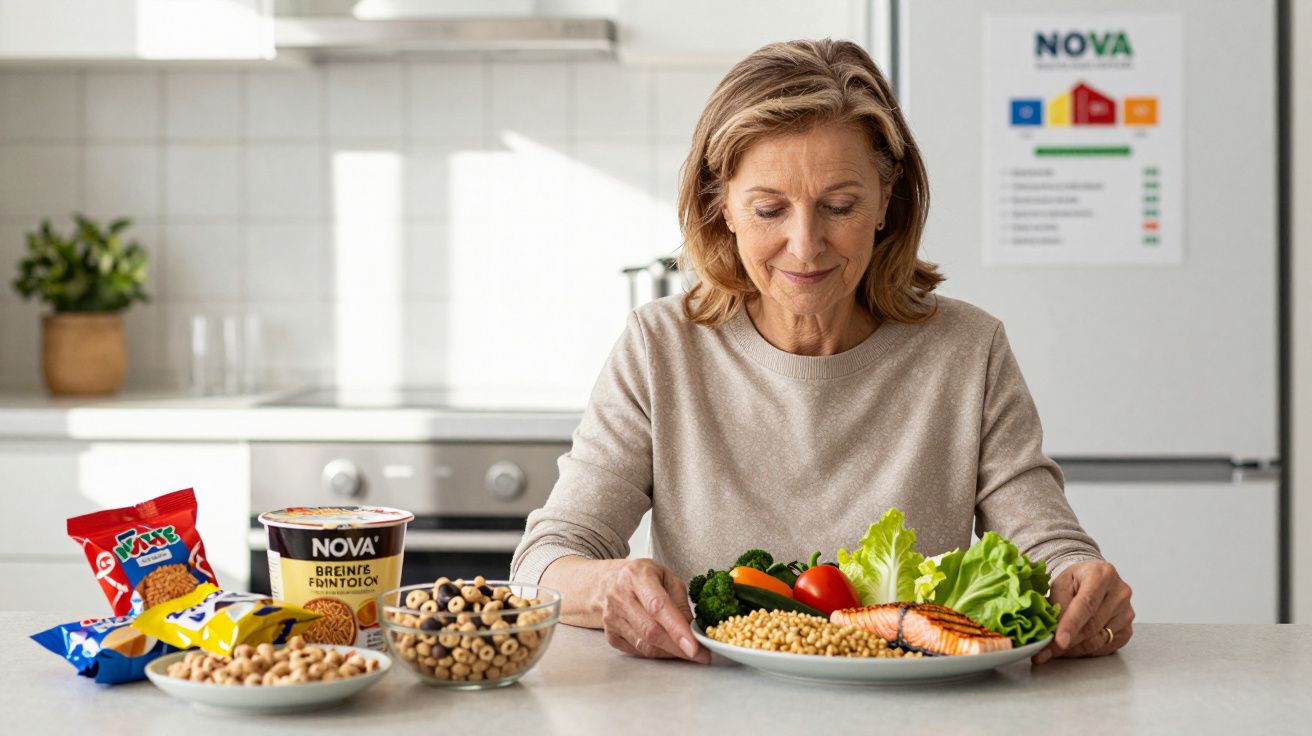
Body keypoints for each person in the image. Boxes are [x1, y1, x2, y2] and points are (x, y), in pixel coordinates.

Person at [511, 39, 1133, 666]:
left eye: (840, 206)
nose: (805, 246)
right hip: (709, 701)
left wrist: (1079, 583)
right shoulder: (660, 347)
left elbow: (1047, 545)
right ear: (722, 205)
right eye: (768, 209)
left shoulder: (969, 350)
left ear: (886, 200)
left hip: (919, 705)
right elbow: (547, 558)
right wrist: (609, 587)